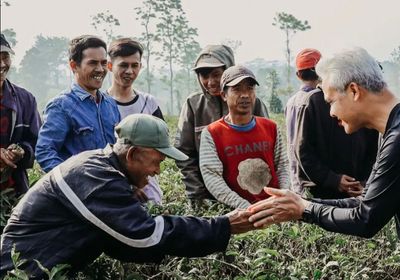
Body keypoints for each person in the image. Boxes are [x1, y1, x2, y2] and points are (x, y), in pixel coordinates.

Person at [248, 48, 400, 280]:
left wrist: (303, 209)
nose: (331, 112)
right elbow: (366, 201)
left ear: (354, 90)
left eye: (331, 101)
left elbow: (366, 219)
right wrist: (301, 203)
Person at [0, 114, 255, 278]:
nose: (156, 172)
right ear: (132, 154)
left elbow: (122, 244)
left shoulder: (101, 169)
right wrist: (222, 225)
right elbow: (144, 235)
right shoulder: (97, 177)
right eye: (156, 161)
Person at [175, 45, 269, 204]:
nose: (210, 82)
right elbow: (184, 155)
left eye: (216, 74)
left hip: (251, 196)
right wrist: (198, 194)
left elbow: (267, 150)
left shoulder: (253, 103)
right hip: (208, 197)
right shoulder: (193, 105)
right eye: (204, 76)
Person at [285, 48, 378, 198]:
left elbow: (373, 150)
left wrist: (363, 182)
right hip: (324, 189)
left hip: (353, 188)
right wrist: (334, 180)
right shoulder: (314, 101)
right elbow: (303, 151)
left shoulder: (369, 104)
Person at [199, 65, 289, 209]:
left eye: (250, 88)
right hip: (239, 212)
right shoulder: (212, 133)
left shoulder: (271, 127)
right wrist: (245, 208)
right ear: (223, 95)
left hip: (275, 208)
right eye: (237, 89)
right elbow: (212, 177)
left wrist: (281, 197)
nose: (245, 95)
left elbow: (283, 166)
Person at [35, 35, 120, 172]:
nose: (100, 69)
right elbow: (45, 152)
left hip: (111, 187)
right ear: (74, 66)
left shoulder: (110, 104)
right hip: (80, 191)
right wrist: (73, 181)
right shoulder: (61, 106)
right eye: (93, 63)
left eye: (103, 63)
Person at [107, 37, 164, 204]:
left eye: (135, 65)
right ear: (110, 66)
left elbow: (160, 147)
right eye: (123, 65)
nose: (130, 71)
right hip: (112, 188)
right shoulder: (101, 103)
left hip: (149, 189)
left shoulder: (149, 103)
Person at [0, 33, 41, 195]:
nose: (2, 64)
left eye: (5, 57)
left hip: (14, 192)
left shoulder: (25, 99)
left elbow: (37, 142)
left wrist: (21, 151)